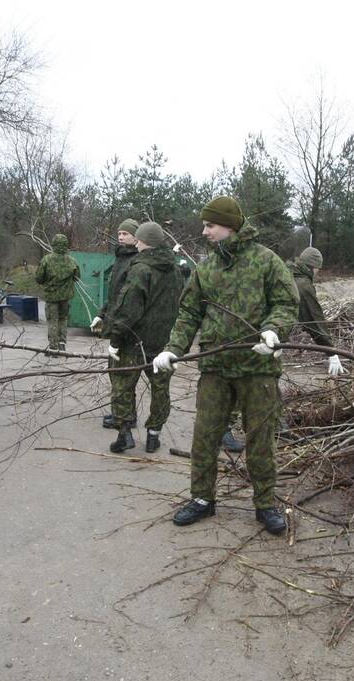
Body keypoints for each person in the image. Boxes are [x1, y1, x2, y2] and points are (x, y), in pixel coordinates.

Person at [153, 196, 299, 534]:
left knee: (261, 439)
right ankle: (202, 498)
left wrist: (274, 330)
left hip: (257, 367)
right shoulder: (207, 268)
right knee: (204, 437)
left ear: (229, 226)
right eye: (204, 225)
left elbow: (286, 302)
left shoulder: (266, 261)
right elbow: (189, 312)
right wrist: (173, 348)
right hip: (215, 367)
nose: (204, 231)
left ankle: (265, 503)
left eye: (210, 225)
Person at [104, 221, 183, 454]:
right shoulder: (175, 270)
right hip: (163, 342)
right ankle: (153, 436)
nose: (135, 243)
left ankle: (124, 433)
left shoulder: (140, 269)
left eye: (137, 239)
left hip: (134, 341)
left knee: (122, 384)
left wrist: (115, 340)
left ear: (145, 242)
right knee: (160, 389)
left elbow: (129, 309)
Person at [91, 219, 140, 428]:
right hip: (115, 320)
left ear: (136, 237)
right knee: (116, 370)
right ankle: (120, 412)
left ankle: (124, 417)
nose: (121, 237)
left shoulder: (136, 261)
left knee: (122, 372)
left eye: (126, 234)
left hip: (127, 324)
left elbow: (128, 298)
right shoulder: (121, 258)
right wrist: (102, 314)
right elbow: (114, 294)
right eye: (119, 234)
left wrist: (119, 327)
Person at [288, 246, 344, 376]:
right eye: (318, 269)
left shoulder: (287, 274)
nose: (318, 272)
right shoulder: (302, 285)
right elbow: (314, 320)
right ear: (312, 267)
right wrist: (332, 352)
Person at [33, 234, 80, 351]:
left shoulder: (46, 260)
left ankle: (53, 347)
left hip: (51, 297)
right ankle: (62, 343)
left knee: (52, 320)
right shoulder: (72, 261)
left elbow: (38, 278)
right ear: (65, 245)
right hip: (65, 297)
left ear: (53, 245)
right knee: (63, 319)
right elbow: (77, 277)